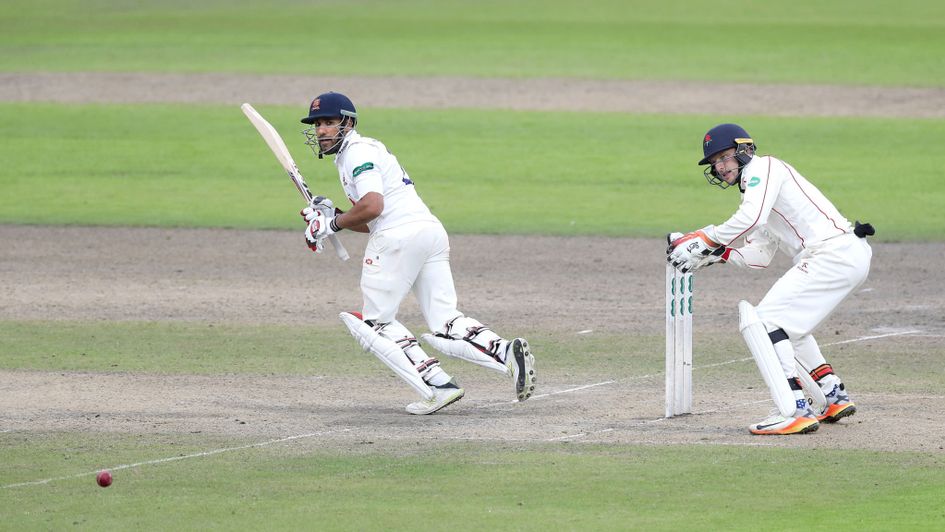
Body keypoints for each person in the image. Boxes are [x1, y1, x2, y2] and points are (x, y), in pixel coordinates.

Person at [296, 91, 536, 415]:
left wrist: (330, 225)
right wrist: (334, 216)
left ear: (348, 123)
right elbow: (372, 219)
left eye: (328, 122)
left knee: (375, 324)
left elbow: (373, 207)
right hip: (428, 232)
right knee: (445, 320)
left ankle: (438, 385)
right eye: (317, 125)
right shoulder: (364, 151)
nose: (321, 130)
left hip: (398, 238)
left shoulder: (357, 152)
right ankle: (506, 352)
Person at [666, 123, 874, 435]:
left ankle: (794, 409)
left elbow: (750, 218)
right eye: (715, 162)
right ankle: (832, 394)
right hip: (843, 256)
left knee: (764, 323)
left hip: (831, 255)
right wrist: (717, 253)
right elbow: (759, 256)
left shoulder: (763, 169)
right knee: (790, 329)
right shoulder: (759, 193)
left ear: (744, 149)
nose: (720, 167)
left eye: (724, 157)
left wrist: (704, 239)